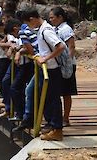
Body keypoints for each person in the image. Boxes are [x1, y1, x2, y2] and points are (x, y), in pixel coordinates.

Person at [18, 9, 66, 141]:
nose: (28, 26)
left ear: (33, 19)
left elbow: (61, 46)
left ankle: (57, 129)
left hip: (51, 69)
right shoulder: (41, 29)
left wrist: (46, 59)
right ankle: (48, 124)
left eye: (28, 23)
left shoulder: (46, 30)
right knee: (38, 94)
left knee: (53, 99)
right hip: (44, 69)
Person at [49, 7, 78, 126]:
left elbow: (71, 47)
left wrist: (68, 64)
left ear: (60, 17)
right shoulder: (55, 29)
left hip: (67, 65)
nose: (50, 20)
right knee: (57, 92)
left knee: (66, 93)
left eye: (52, 17)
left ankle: (66, 118)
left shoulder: (65, 29)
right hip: (58, 65)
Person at [0, 18, 24, 118]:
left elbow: (20, 45)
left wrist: (12, 48)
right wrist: (10, 46)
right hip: (15, 62)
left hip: (23, 64)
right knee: (5, 82)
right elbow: (4, 42)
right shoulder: (12, 33)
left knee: (16, 87)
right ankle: (9, 107)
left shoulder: (23, 32)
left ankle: (17, 110)